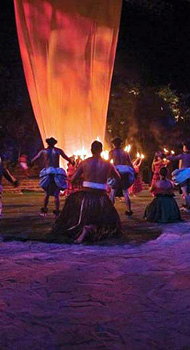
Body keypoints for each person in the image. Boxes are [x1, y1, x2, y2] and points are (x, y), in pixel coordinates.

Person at [51, 140, 121, 243]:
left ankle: (86, 229)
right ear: (101, 150)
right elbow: (118, 177)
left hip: (86, 196)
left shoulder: (84, 163)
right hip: (102, 198)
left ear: (91, 150)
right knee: (107, 223)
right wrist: (107, 177)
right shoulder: (108, 164)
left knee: (74, 205)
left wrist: (85, 177)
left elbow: (73, 179)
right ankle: (89, 228)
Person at [31, 137, 74, 217]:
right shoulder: (58, 151)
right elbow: (66, 158)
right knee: (56, 194)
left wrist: (31, 163)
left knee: (47, 193)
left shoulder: (44, 151)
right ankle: (56, 213)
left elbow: (35, 158)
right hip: (57, 173)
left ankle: (44, 211)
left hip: (48, 173)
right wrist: (72, 161)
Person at [108, 137, 135, 216]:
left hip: (116, 170)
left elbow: (108, 162)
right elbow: (130, 163)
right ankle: (129, 210)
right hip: (125, 171)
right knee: (126, 192)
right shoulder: (125, 152)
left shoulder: (112, 152)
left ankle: (111, 211)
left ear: (114, 144)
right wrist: (133, 172)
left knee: (113, 191)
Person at [166, 142, 190, 212]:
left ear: (185, 148)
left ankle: (188, 207)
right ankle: (187, 205)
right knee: (188, 191)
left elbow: (172, 158)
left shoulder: (183, 155)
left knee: (185, 192)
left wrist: (167, 155)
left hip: (185, 174)